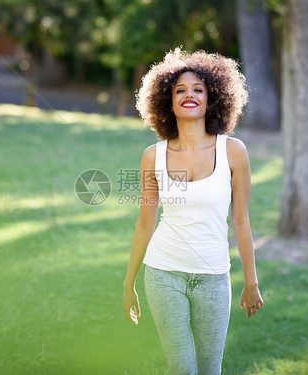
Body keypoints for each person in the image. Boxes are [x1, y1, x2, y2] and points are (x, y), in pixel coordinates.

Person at [121, 48, 264, 375]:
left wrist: (251, 282)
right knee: (182, 369)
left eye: (198, 89)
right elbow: (145, 224)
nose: (189, 95)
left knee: (209, 369)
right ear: (166, 102)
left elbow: (241, 220)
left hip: (213, 277)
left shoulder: (233, 151)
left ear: (212, 98)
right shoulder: (151, 156)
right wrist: (128, 283)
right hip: (163, 273)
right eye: (179, 90)